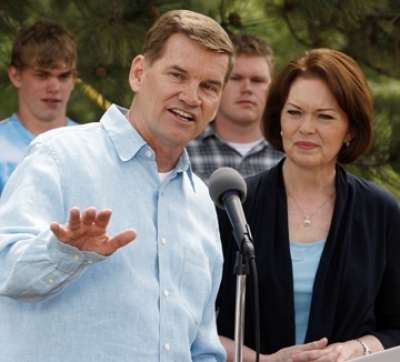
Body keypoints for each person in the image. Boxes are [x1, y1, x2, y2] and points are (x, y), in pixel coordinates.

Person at [0, 10, 235, 361]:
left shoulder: (202, 201)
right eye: (177, 75)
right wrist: (66, 253)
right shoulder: (59, 155)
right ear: (139, 73)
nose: (191, 96)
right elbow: (6, 272)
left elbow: (201, 346)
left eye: (209, 87)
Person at [216, 48, 400, 361]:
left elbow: (396, 325)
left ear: (350, 130)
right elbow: (194, 323)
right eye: (294, 112)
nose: (306, 128)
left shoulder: (380, 211)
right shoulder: (234, 205)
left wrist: (354, 349)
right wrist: (264, 360)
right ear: (278, 121)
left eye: (325, 116)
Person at [186, 32, 284, 183]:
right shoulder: (183, 148)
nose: (247, 88)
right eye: (236, 78)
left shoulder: (290, 151)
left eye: (257, 80)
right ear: (215, 84)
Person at [0, 20, 78, 195]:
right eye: (42, 75)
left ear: (73, 79)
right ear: (15, 76)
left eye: (64, 76)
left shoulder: (93, 147)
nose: (54, 87)